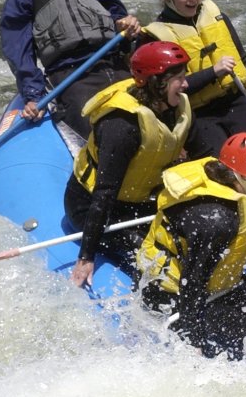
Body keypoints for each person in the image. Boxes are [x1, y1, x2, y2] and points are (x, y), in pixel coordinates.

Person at [136, 132, 246, 361]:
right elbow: (192, 281)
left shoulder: (230, 202)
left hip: (209, 288)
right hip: (167, 294)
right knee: (219, 348)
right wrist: (192, 340)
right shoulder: (216, 221)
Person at [0, 0, 142, 138]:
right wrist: (33, 95)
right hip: (72, 78)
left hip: (114, 67)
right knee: (105, 137)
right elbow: (19, 53)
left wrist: (129, 25)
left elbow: (121, 23)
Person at [64, 41, 192, 288]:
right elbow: (105, 193)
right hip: (91, 205)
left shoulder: (170, 105)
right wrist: (86, 256)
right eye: (179, 78)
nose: (185, 84)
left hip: (139, 201)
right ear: (157, 82)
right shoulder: (123, 126)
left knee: (185, 241)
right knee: (155, 258)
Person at [141, 0, 246, 158]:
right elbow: (163, 91)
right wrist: (214, 72)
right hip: (196, 113)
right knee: (221, 170)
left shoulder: (216, 16)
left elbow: (243, 60)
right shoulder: (155, 37)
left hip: (234, 102)